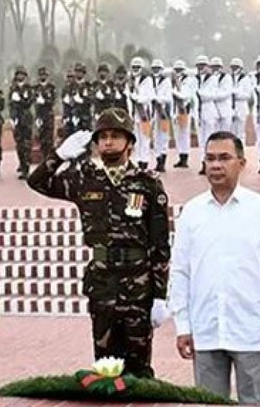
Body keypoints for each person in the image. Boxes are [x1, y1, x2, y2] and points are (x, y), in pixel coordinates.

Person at [27, 108, 170, 378]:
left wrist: (160, 295)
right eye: (103, 136)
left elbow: (160, 244)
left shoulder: (147, 183)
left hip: (137, 285)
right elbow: (37, 182)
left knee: (138, 369)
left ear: (129, 142)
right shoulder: (84, 179)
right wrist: (58, 156)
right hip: (102, 283)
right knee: (105, 368)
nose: (108, 142)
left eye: (116, 136)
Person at [170, 131, 260, 406]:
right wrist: (182, 325)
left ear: (241, 162)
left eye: (224, 158)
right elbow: (180, 271)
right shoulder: (192, 212)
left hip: (253, 333)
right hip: (206, 331)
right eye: (210, 159)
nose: (216, 165)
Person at [9, 66, 35, 179]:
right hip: (17, 118)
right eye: (18, 74)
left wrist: (19, 99)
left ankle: (26, 168)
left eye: (22, 75)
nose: (20, 76)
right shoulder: (13, 89)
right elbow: (11, 104)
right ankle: (22, 165)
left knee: (27, 144)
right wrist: (12, 118)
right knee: (19, 144)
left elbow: (28, 102)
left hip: (26, 119)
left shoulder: (29, 89)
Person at [170, 60, 195, 168]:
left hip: (184, 110)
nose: (178, 72)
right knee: (177, 135)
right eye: (176, 70)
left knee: (184, 134)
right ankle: (180, 156)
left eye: (180, 70)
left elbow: (184, 95)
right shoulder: (172, 82)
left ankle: (185, 157)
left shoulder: (188, 81)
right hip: (175, 111)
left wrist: (173, 91)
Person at [149, 59, 173, 172]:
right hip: (153, 112)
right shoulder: (149, 81)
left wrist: (157, 99)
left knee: (164, 137)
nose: (155, 70)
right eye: (154, 68)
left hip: (163, 112)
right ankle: (158, 159)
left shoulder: (166, 81)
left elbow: (168, 97)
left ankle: (163, 160)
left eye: (157, 68)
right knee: (155, 137)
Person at [34, 66, 57, 162]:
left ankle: (49, 160)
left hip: (48, 115)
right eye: (41, 75)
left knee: (49, 140)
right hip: (40, 116)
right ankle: (44, 159)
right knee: (42, 139)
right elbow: (32, 101)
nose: (42, 76)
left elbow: (53, 101)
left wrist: (44, 101)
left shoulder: (51, 87)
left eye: (44, 75)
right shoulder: (36, 88)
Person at [230, 58, 253, 144]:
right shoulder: (229, 78)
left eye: (236, 67)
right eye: (233, 67)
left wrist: (237, 94)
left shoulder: (246, 79)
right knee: (232, 131)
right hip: (231, 105)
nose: (234, 69)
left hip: (241, 105)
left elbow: (248, 95)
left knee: (240, 131)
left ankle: (241, 148)